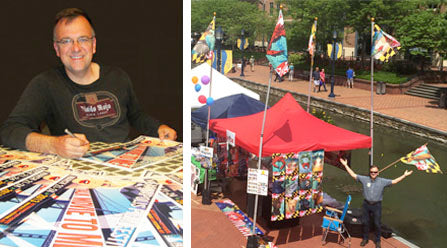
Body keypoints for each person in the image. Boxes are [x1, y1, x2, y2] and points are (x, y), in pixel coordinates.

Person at [0, 8, 176, 159]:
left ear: (93, 44)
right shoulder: (46, 84)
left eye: (83, 39)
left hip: (125, 165)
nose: (76, 48)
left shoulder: (118, 77)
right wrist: (53, 145)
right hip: (78, 173)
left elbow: (136, 115)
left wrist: (158, 127)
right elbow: (9, 131)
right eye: (66, 41)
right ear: (57, 49)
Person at [340, 158, 413, 248]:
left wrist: (404, 175)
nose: (373, 174)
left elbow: (394, 181)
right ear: (369, 172)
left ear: (378, 173)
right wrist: (345, 165)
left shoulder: (383, 181)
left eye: (375, 172)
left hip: (377, 205)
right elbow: (353, 175)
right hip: (366, 204)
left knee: (377, 224)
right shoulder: (364, 179)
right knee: (365, 222)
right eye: (371, 172)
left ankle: (377, 241)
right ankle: (365, 239)